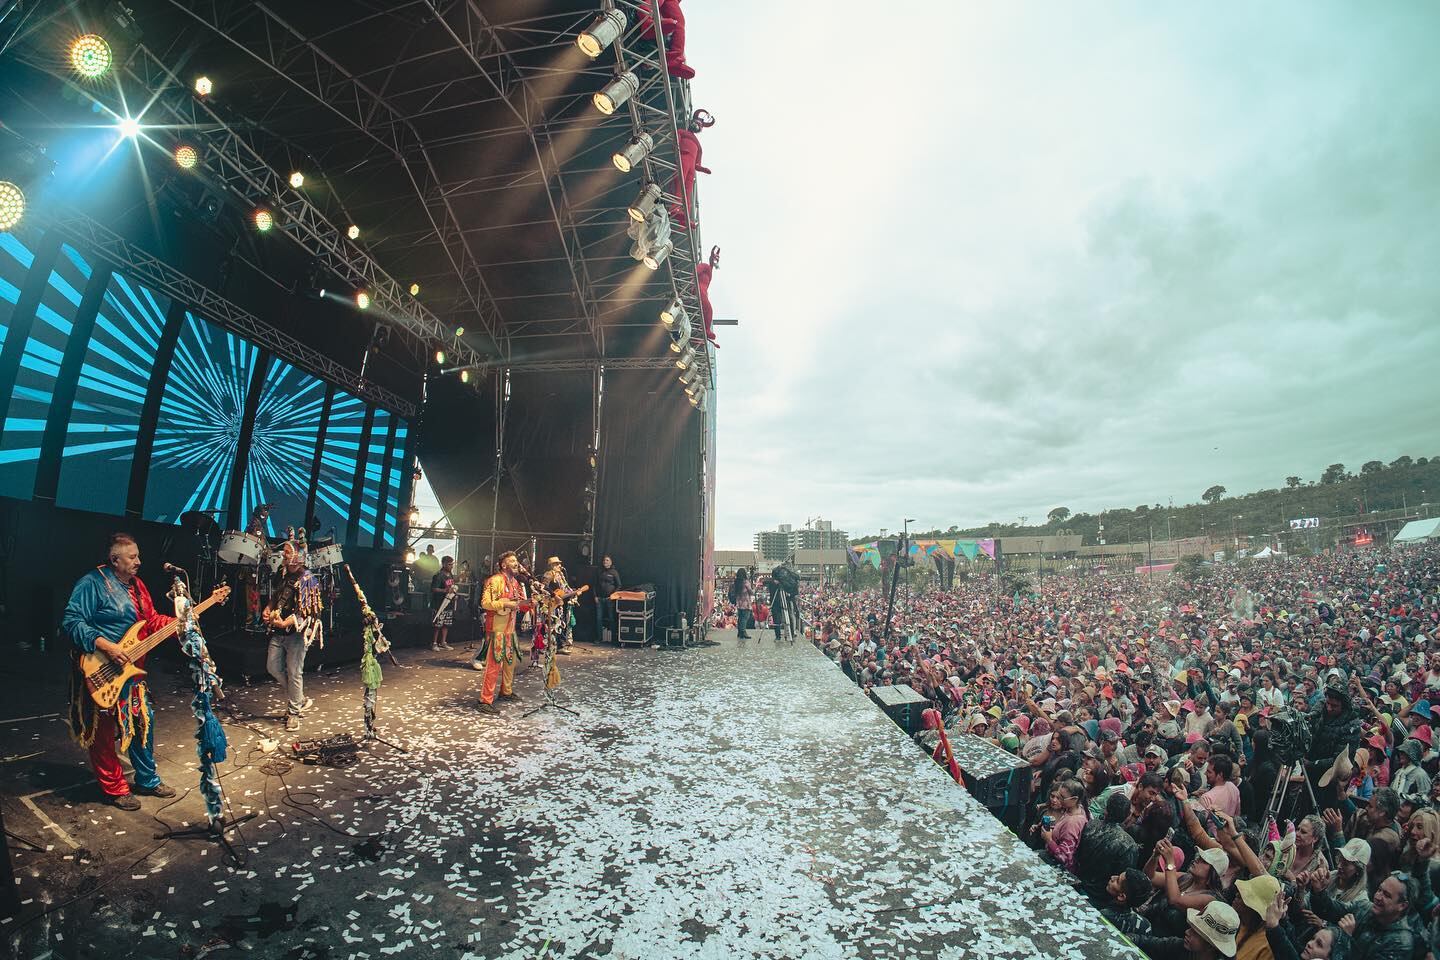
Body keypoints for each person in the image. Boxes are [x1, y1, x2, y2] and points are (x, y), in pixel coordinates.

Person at [62, 533, 179, 810]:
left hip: (132, 673)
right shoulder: (92, 583)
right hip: (101, 670)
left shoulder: (138, 586)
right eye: (132, 557)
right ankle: (114, 788)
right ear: (115, 560)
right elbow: (71, 621)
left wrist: (177, 624)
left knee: (141, 725)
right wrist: (108, 647)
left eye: (138, 555)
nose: (139, 561)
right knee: (102, 733)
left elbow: (149, 622)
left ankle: (148, 780)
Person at [264, 541, 320, 732]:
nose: (284, 555)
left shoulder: (308, 579)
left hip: (296, 634)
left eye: (287, 552)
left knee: (295, 673)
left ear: (298, 555)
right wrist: (268, 608)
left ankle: (294, 713)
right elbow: (275, 597)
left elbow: (307, 613)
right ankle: (299, 699)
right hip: (278, 633)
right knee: (272, 667)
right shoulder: (283, 573)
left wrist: (285, 623)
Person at [478, 552, 526, 714]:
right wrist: (504, 603)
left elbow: (521, 604)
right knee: (493, 665)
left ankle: (506, 691)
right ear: (503, 565)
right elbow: (485, 603)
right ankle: (485, 700)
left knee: (509, 663)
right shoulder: (495, 580)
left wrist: (534, 603)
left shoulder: (516, 583)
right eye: (512, 561)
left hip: (510, 630)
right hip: (497, 630)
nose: (516, 563)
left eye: (517, 561)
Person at [430, 555, 457, 651]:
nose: (451, 566)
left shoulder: (451, 575)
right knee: (438, 624)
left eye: (452, 564)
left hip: (448, 603)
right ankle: (434, 643)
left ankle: (443, 642)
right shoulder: (438, 575)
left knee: (446, 624)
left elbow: (451, 586)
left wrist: (453, 592)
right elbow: (433, 589)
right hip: (439, 604)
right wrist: (445, 590)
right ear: (444, 564)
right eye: (449, 564)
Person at [596, 554, 621, 643]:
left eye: (607, 560)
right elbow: (594, 585)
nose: (605, 562)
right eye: (604, 560)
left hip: (609, 599)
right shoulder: (599, 571)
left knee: (611, 618)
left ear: (611, 562)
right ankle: (599, 638)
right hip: (599, 598)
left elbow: (619, 585)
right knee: (599, 619)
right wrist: (595, 596)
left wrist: (613, 595)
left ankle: (613, 638)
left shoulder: (614, 572)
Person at [731, 568, 754, 639]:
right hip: (746, 603)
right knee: (745, 618)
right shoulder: (746, 582)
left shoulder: (736, 582)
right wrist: (754, 590)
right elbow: (751, 592)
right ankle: (743, 632)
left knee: (740, 618)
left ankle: (740, 632)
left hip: (739, 603)